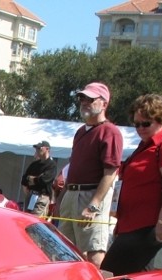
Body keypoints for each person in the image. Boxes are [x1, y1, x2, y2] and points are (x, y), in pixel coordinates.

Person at [101, 94, 162, 280]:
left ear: (161, 120)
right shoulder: (145, 146)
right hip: (130, 225)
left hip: (147, 227)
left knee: (109, 276)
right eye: (137, 124)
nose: (140, 128)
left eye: (146, 123)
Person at [61, 82, 122, 267]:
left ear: (104, 104)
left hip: (91, 195)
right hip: (71, 195)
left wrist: (94, 205)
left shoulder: (110, 131)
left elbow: (110, 172)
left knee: (94, 251)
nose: (85, 102)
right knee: (63, 250)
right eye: (82, 98)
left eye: (91, 99)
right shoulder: (81, 132)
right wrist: (63, 199)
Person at [20, 140, 57, 217]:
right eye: (36, 148)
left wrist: (32, 179)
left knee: (35, 220)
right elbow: (24, 179)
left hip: (42, 197)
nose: (37, 150)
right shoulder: (34, 164)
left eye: (39, 148)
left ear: (47, 149)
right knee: (26, 218)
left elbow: (44, 180)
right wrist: (34, 179)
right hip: (31, 195)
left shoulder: (51, 165)